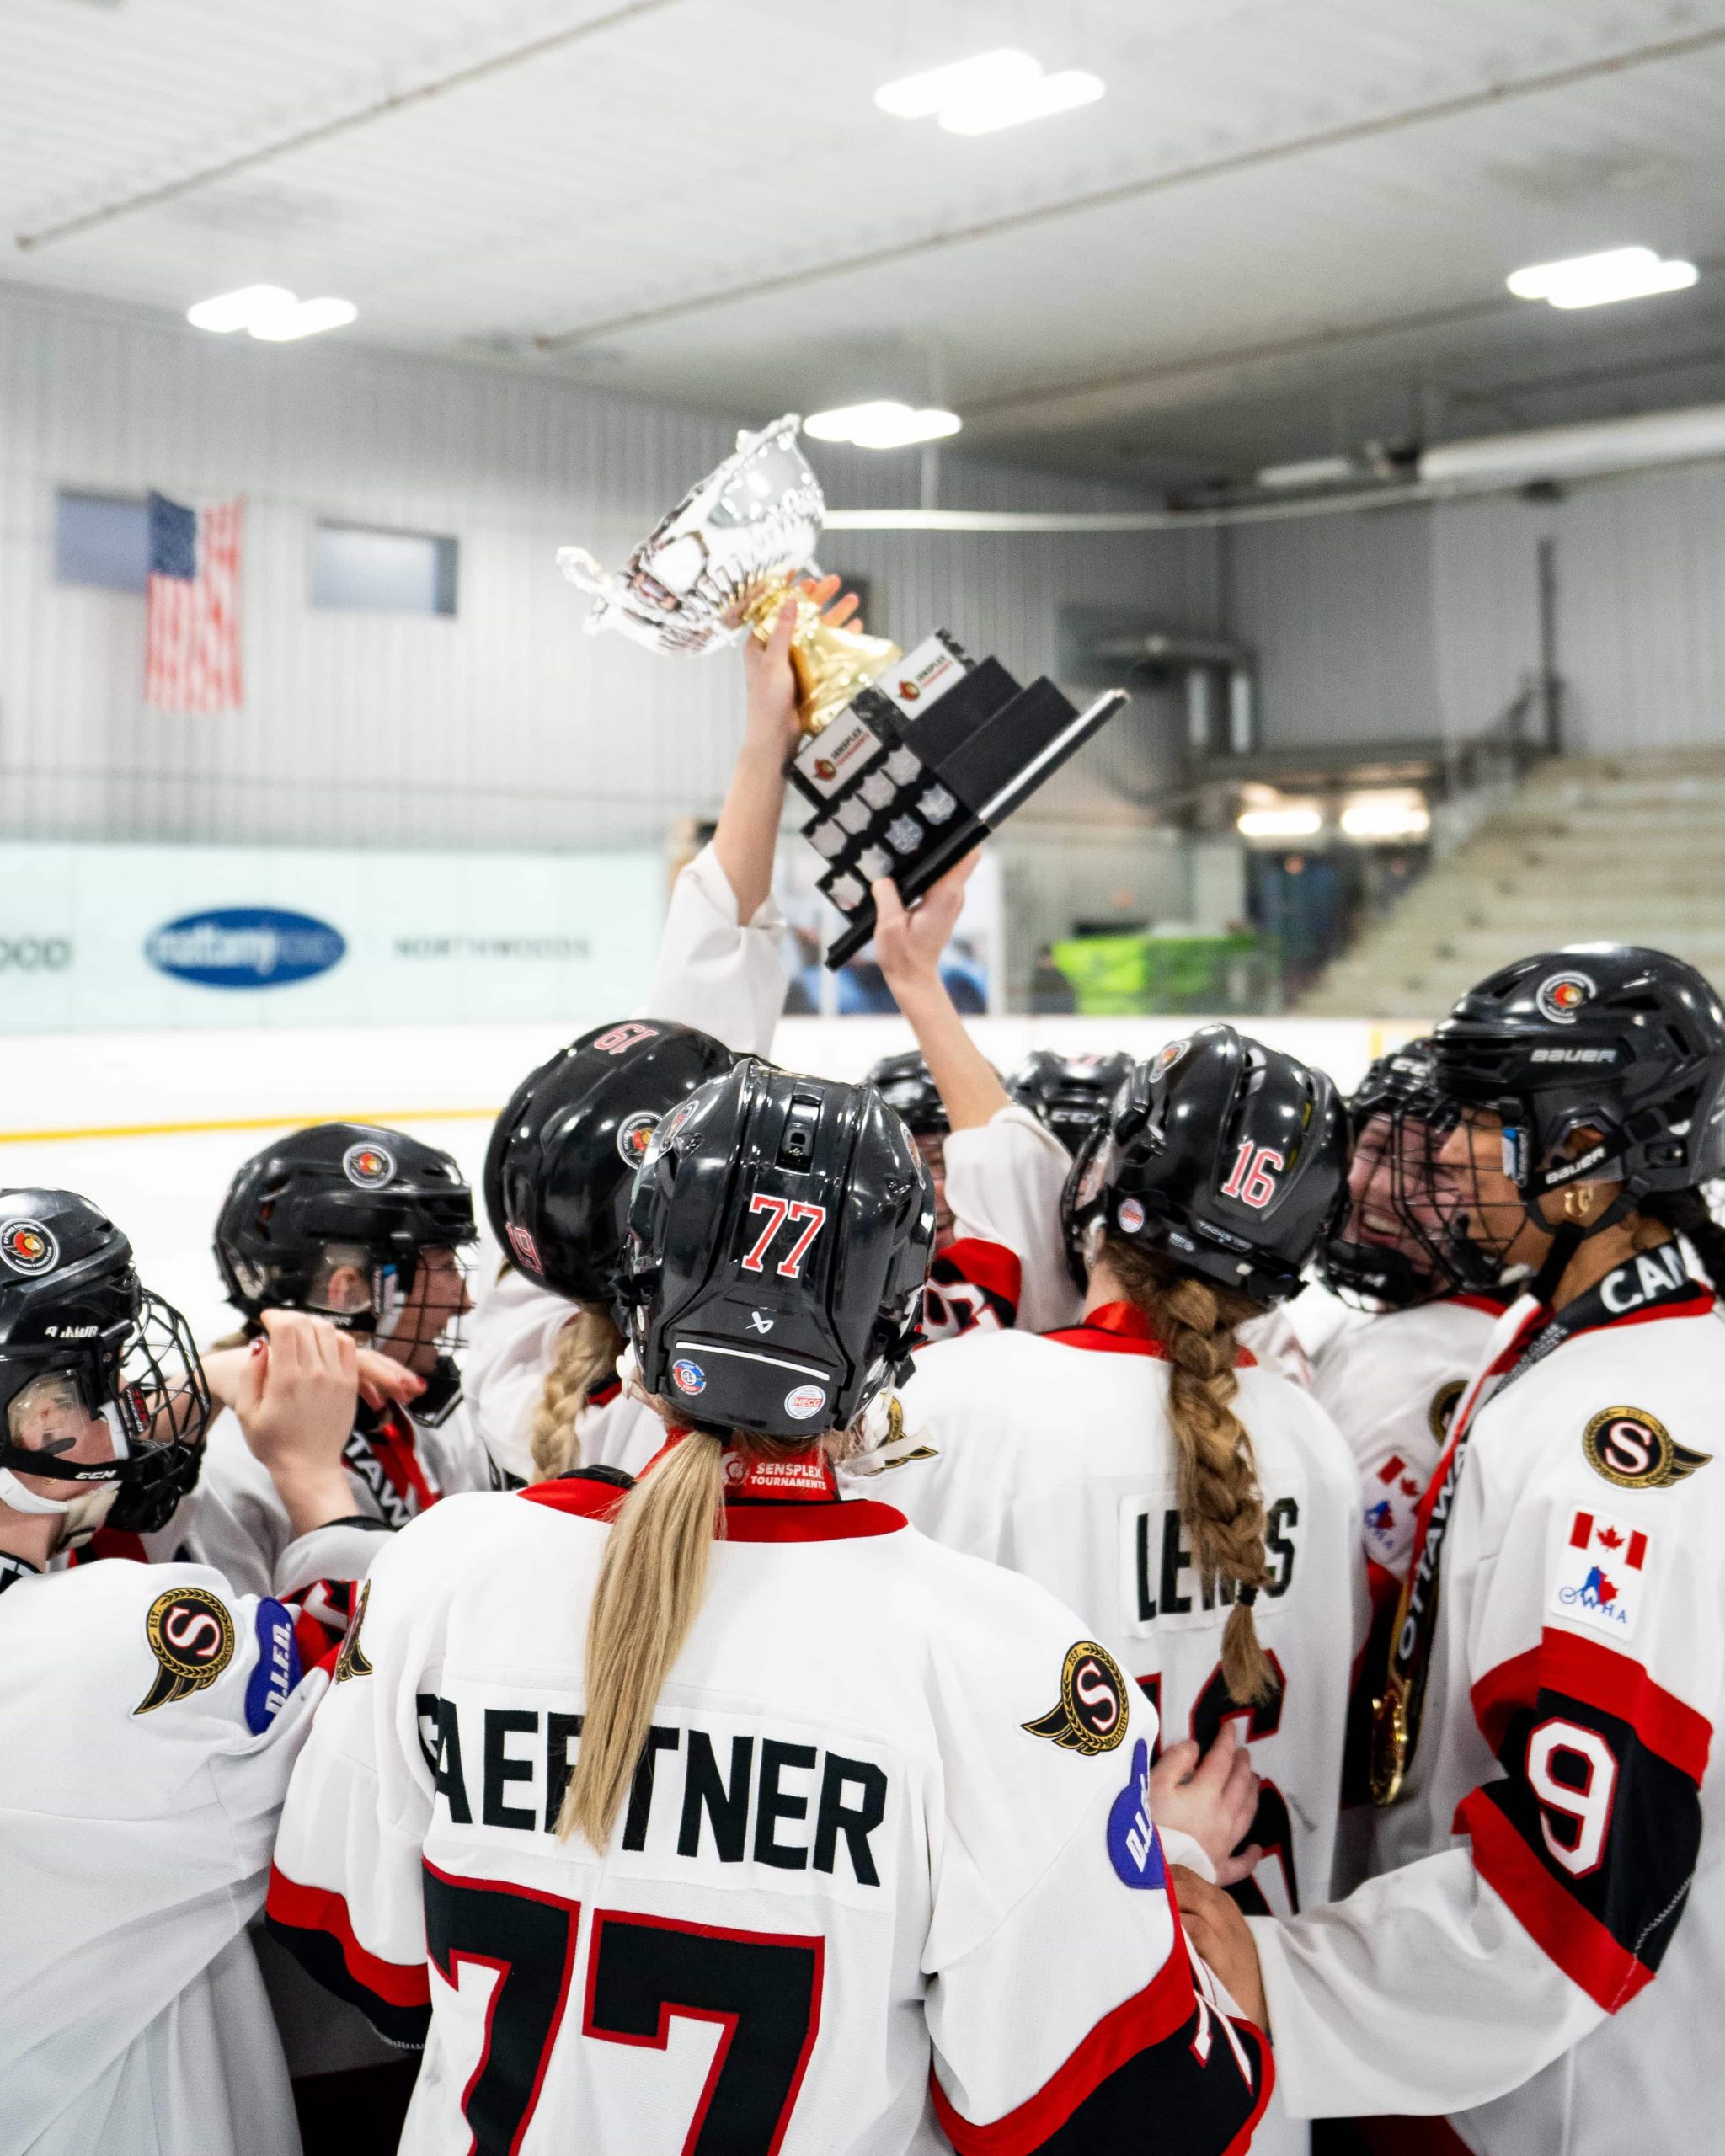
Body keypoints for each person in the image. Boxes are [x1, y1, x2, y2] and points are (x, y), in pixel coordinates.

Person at [266, 1062, 1273, 2153]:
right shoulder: (1006, 1666)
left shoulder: (442, 1570)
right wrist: (1169, 1868)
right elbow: (1134, 2116)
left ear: (640, 1288)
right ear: (894, 1332)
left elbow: (363, 1959)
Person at [1176, 945, 1725, 2156]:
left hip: (1563, 2098)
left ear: (1583, 1159)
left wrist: (1298, 1975)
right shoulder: (1609, 1344)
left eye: (1485, 1121)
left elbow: (1590, 1867)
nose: (1449, 1158)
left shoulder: (1619, 1435)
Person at [0, 1187, 377, 2156]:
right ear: (36, 1422)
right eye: (94, 1387)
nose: (129, 1401)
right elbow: (395, 1707)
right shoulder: (130, 1640)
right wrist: (314, 1481)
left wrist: (210, 1380)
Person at [182, 1122, 487, 1597]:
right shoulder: (227, 1471)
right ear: (348, 1293)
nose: (464, 1301)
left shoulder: (422, 1414)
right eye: (446, 1268)